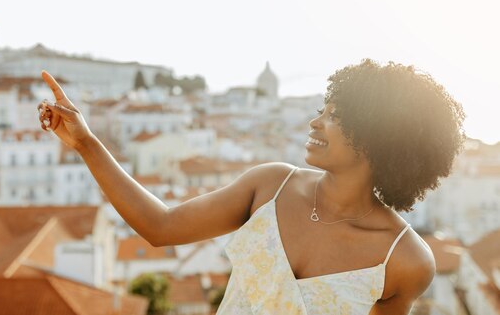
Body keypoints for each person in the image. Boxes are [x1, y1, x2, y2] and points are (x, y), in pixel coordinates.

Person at [37, 58, 465, 315]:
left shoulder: (406, 260)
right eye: (321, 109)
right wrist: (86, 142)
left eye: (335, 116)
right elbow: (160, 226)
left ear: (378, 136)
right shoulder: (271, 186)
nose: (315, 121)